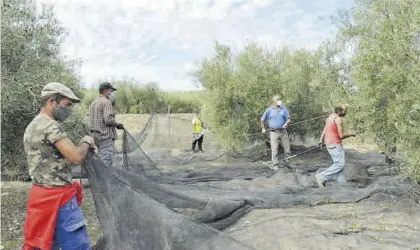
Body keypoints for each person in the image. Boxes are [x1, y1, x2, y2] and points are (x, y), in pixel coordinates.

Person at [22, 82, 96, 250]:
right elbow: (76, 157)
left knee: (47, 244)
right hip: (59, 198)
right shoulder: (51, 126)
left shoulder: (32, 125)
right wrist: (86, 141)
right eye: (67, 104)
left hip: (39, 196)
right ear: (51, 102)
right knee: (77, 246)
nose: (70, 109)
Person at [316, 104, 356, 187]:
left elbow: (325, 128)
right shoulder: (338, 119)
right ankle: (321, 176)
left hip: (329, 144)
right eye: (345, 111)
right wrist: (351, 134)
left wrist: (321, 140)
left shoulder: (330, 117)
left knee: (338, 165)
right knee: (340, 164)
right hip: (335, 144)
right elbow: (341, 136)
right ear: (340, 111)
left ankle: (341, 183)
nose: (346, 113)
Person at [88, 82, 124, 167]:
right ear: (105, 90)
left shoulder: (93, 103)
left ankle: (101, 178)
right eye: (110, 91)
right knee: (106, 162)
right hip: (105, 136)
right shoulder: (106, 102)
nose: (111, 93)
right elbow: (108, 119)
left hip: (95, 137)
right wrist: (117, 124)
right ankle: (104, 179)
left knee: (101, 158)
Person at [260, 94, 292, 170]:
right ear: (274, 101)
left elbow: (289, 119)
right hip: (273, 132)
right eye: (278, 100)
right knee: (274, 149)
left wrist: (286, 123)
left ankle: (288, 163)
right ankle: (275, 165)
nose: (280, 101)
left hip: (283, 131)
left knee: (287, 149)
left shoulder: (284, 108)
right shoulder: (269, 110)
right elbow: (262, 120)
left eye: (280, 99)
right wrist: (263, 128)